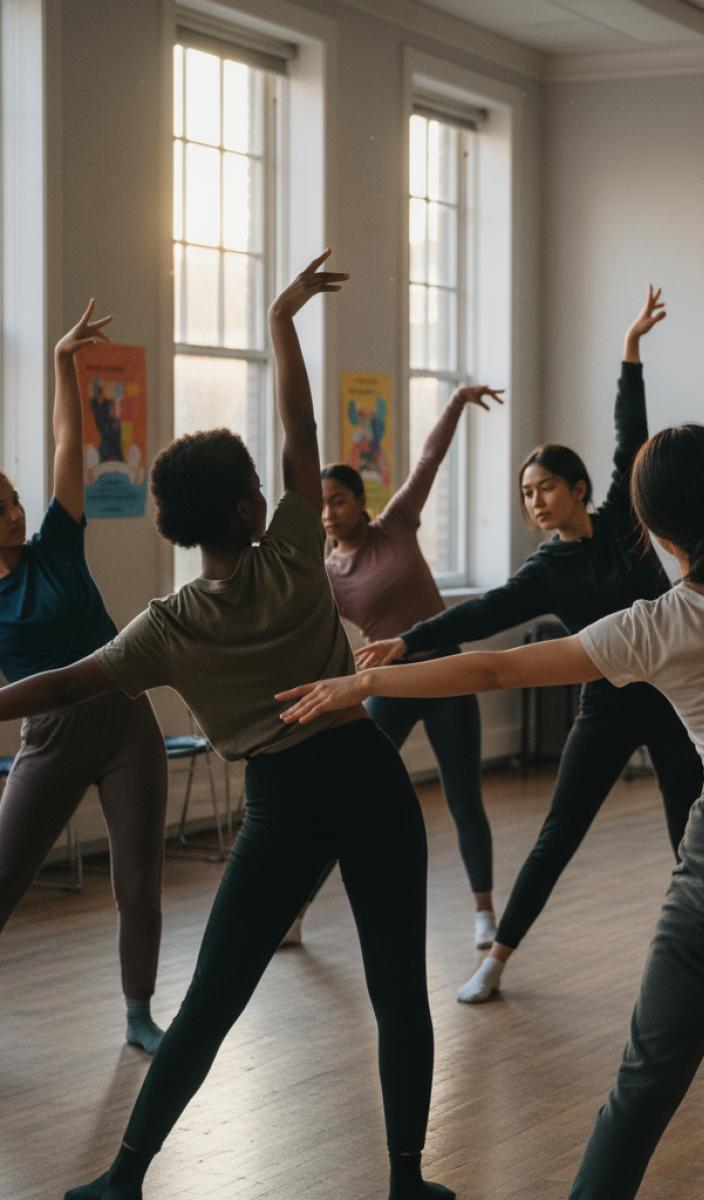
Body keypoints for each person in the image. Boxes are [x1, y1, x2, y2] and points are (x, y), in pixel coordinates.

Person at [278, 212, 704, 1200]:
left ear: (643, 523)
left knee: (643, 1091)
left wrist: (371, 680)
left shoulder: (648, 628)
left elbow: (492, 671)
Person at [0, 255, 450, 1200]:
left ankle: (124, 1178)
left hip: (283, 804)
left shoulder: (168, 629)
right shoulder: (294, 551)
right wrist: (282, 320)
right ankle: (408, 1182)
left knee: (211, 1000)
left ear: (174, 524)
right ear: (253, 505)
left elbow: (62, 683)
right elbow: (302, 431)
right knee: (397, 989)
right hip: (366, 774)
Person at [354, 285, 704, 1004]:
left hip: (671, 698)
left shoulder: (626, 520)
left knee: (691, 834)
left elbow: (631, 438)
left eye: (545, 487)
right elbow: (481, 614)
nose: (535, 500)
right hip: (607, 705)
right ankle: (497, 959)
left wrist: (630, 351)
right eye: (525, 493)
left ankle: (700, 968)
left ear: (578, 489)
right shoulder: (545, 571)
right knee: (557, 835)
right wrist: (407, 641)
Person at [0, 301, 169, 1053]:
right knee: (5, 879)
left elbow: (71, 443)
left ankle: (138, 1013)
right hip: (53, 737)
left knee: (137, 880)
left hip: (126, 719)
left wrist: (63, 360)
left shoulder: (57, 544)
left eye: (12, 501)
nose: (13, 514)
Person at [308, 382, 504, 952]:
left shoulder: (395, 524)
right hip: (389, 686)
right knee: (344, 797)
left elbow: (428, 460)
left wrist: (457, 401)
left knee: (464, 799)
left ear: (359, 501)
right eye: (322, 505)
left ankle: (484, 912)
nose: (329, 513)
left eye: (338, 501)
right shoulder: (328, 577)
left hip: (446, 675)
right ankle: (295, 912)